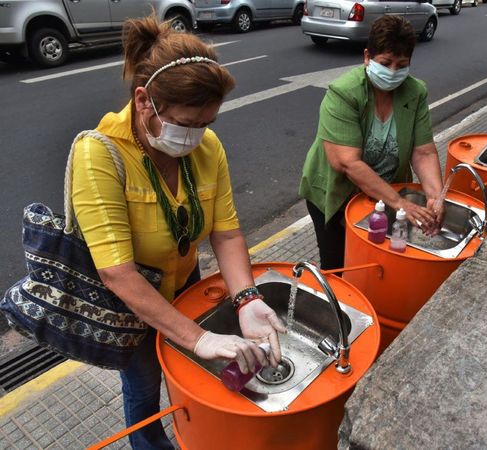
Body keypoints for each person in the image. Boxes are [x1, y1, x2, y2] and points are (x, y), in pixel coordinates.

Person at [71, 15, 285, 450]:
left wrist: (247, 299)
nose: (197, 135)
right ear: (144, 100)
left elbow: (225, 234)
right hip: (130, 306)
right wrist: (200, 337)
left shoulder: (207, 148)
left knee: (183, 371)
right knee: (145, 385)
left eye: (207, 123)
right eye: (187, 122)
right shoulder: (98, 154)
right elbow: (117, 273)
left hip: (183, 284)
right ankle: (149, 442)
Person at [299, 15, 444, 270]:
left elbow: (423, 152)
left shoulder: (415, 92)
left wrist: (435, 196)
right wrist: (400, 203)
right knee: (339, 265)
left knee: (382, 258)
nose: (392, 72)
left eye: (401, 65)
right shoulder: (344, 93)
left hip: (383, 193)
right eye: (385, 63)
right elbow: (347, 163)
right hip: (336, 193)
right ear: (367, 57)